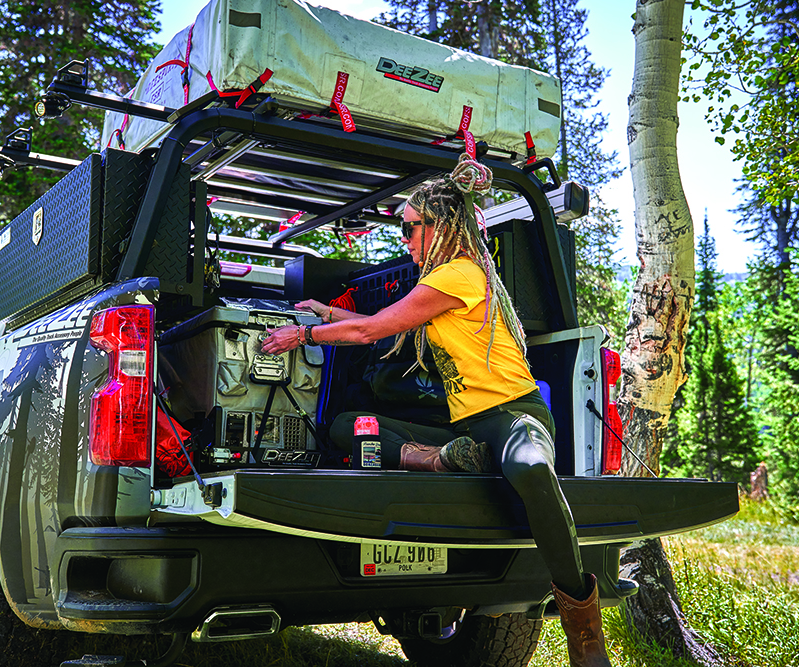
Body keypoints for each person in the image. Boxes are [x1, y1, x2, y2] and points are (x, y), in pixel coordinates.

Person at [260, 154, 611, 667]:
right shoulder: (439, 281)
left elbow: (369, 331)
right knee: (345, 427)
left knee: (532, 469)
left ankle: (585, 634)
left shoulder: (461, 273)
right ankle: (443, 457)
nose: (404, 240)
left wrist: (303, 333)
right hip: (460, 426)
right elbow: (384, 321)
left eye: (409, 229)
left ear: (440, 226)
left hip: (513, 416)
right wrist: (329, 311)